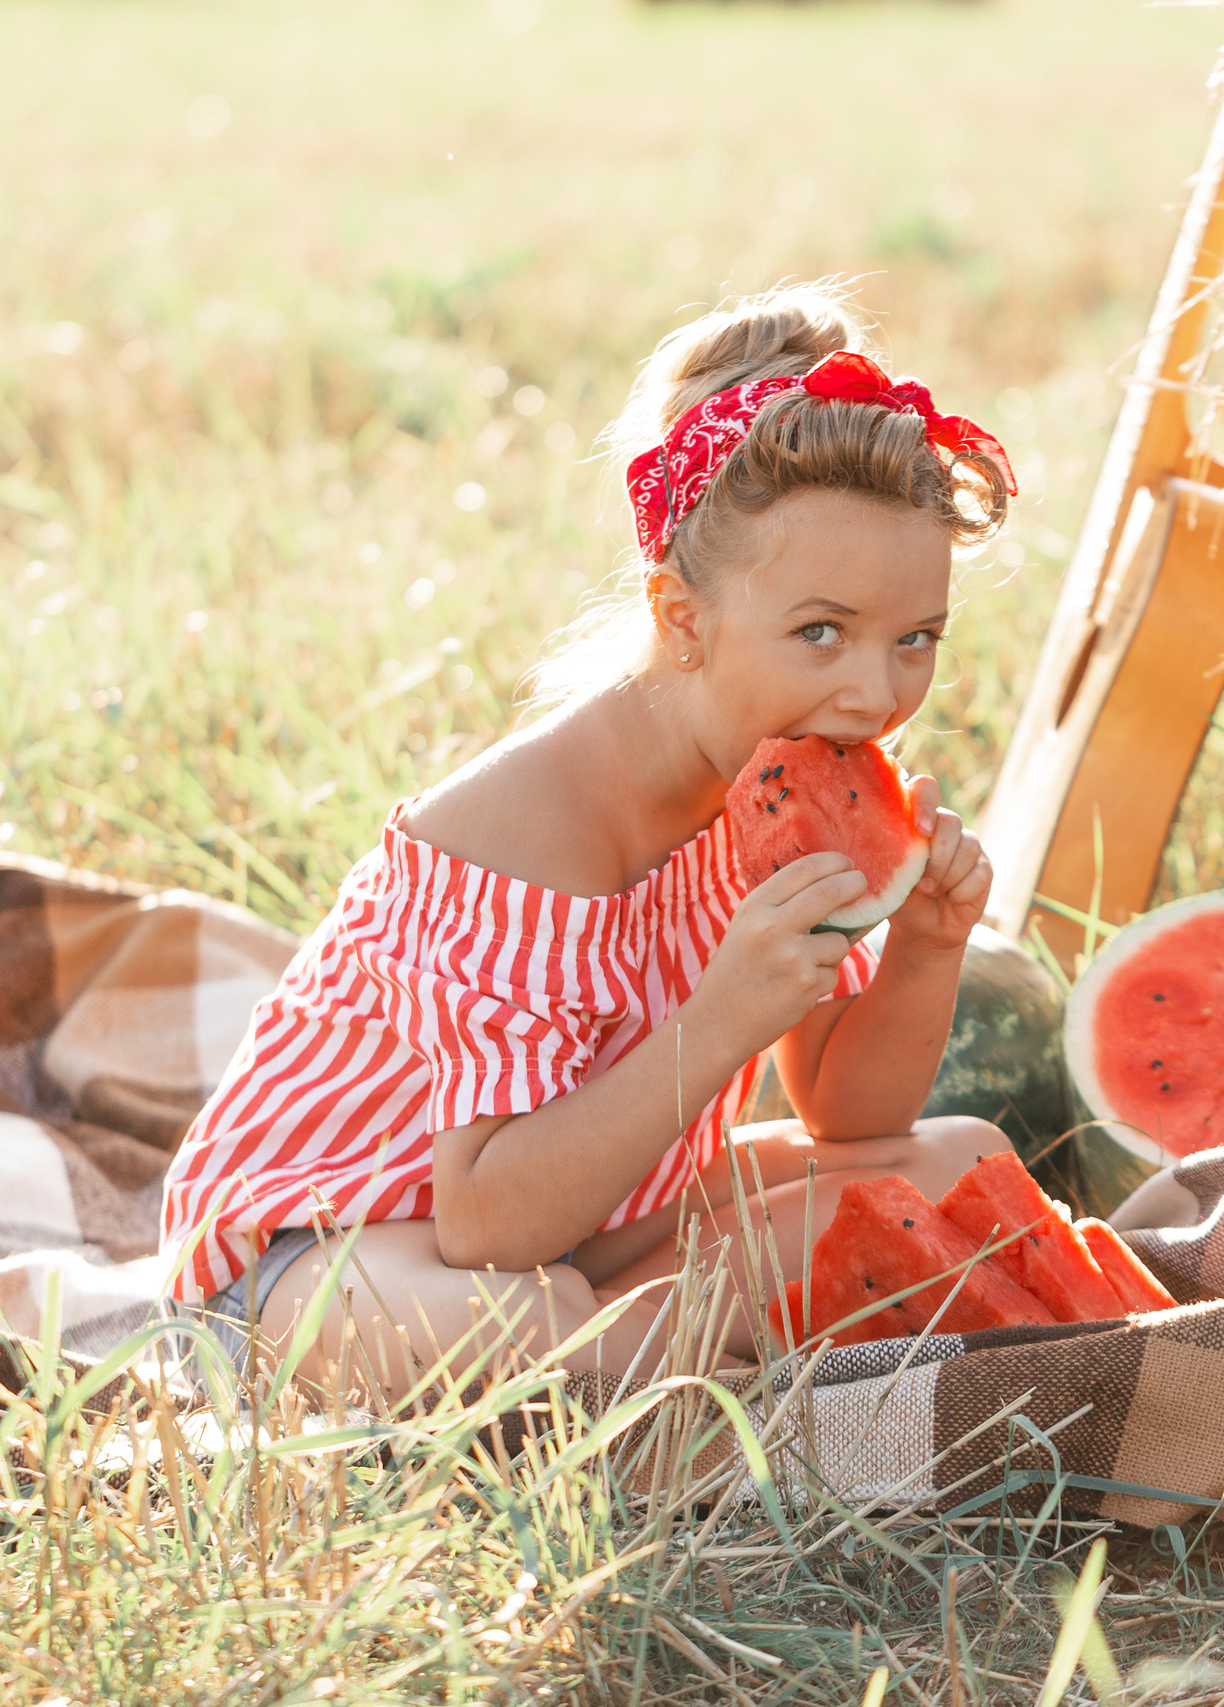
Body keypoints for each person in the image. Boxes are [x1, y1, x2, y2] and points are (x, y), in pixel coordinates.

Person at [157, 282, 1017, 1400]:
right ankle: (702, 1356)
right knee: (534, 1331)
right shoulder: (523, 828)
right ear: (680, 620)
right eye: (820, 633)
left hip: (588, 1226)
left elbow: (852, 1117)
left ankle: (677, 1354)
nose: (873, 691)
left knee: (958, 1170)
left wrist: (927, 949)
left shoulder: (783, 778)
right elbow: (485, 1219)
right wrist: (719, 1025)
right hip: (311, 1254)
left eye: (915, 640)